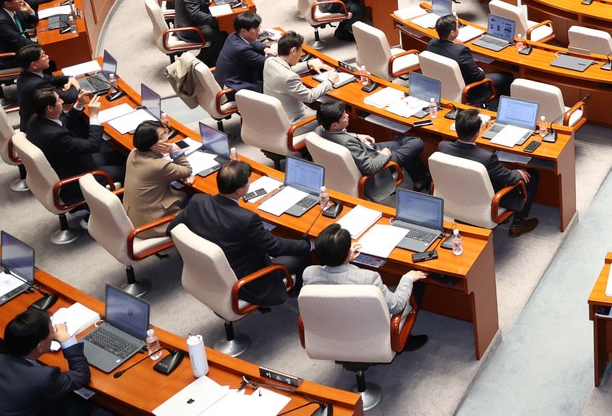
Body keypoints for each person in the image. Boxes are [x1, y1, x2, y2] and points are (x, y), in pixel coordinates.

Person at [172, 161, 310, 306]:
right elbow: (276, 247)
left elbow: (173, 228)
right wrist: (308, 244)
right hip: (247, 281)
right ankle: (296, 291)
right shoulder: (246, 219)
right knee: (303, 257)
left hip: (213, 271)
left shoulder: (198, 201)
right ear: (240, 191)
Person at [303, 225, 430, 354]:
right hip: (368, 332)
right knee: (416, 286)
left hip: (331, 328)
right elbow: (396, 305)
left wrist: (345, 259)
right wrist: (407, 278)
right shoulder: (369, 278)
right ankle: (403, 338)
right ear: (348, 252)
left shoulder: (309, 274)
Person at [0, 307, 91, 416]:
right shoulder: (43, 377)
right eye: (52, 331)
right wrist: (66, 340)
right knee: (83, 404)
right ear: (39, 346)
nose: (54, 332)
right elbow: (82, 375)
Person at [439, 107, 538, 236]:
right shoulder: (486, 158)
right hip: (488, 198)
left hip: (455, 193)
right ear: (477, 132)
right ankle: (518, 224)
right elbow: (509, 178)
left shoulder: (443, 146)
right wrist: (519, 172)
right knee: (532, 175)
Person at [315, 101, 429, 203]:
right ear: (335, 125)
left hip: (368, 149)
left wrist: (357, 136)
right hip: (378, 164)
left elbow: (341, 136)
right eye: (344, 117)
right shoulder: (348, 143)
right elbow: (370, 167)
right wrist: (384, 154)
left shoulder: (320, 129)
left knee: (408, 149)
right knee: (416, 143)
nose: (348, 116)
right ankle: (399, 136)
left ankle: (420, 179)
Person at [27, 87, 125, 199]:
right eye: (59, 100)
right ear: (50, 108)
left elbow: (61, 124)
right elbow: (93, 145)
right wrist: (93, 117)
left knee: (119, 154)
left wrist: (78, 105)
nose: (62, 101)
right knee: (129, 171)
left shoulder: (36, 118)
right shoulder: (54, 136)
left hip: (71, 161)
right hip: (79, 178)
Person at [123, 119, 192, 235]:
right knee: (199, 201)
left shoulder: (133, 153)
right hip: (153, 224)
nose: (166, 138)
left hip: (134, 218)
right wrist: (173, 150)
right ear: (152, 145)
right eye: (162, 137)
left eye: (165, 133)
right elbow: (187, 169)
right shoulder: (158, 166)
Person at [427, 14, 511, 103]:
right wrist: (481, 69)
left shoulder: (431, 44)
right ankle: (497, 106)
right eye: (457, 27)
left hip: (444, 85)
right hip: (470, 90)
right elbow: (479, 76)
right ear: (452, 33)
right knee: (507, 76)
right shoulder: (460, 51)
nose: (458, 29)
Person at [16, 45, 84, 132]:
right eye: (43, 56)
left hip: (40, 121)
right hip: (42, 130)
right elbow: (68, 97)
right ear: (34, 65)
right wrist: (74, 85)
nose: (47, 57)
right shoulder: (37, 84)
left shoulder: (25, 75)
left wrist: (70, 78)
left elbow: (53, 79)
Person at [174, 0, 225, 67]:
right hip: (189, 28)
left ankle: (212, 57)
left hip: (189, 21)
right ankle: (202, 60)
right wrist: (216, 20)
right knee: (222, 34)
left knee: (221, 27)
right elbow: (195, 14)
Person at [215, 11, 270, 93]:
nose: (259, 30)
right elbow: (268, 62)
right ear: (244, 31)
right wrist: (272, 53)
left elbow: (252, 42)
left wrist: (265, 48)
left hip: (232, 77)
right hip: (231, 88)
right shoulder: (241, 50)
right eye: (255, 28)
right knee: (272, 87)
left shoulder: (234, 35)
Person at [0, 0, 36, 71]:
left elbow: (33, 21)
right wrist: (42, 46)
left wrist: (29, 11)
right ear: (7, 4)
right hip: (8, 58)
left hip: (18, 47)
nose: (21, 0)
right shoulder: (1, 21)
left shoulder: (14, 9)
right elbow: (19, 41)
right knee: (45, 58)